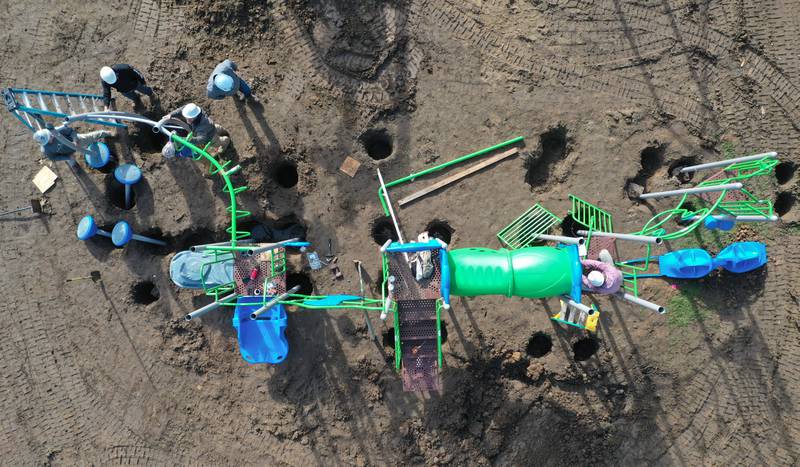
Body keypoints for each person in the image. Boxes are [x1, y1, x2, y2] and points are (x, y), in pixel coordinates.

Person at [157, 103, 229, 158]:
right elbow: (182, 109)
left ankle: (226, 140)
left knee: (217, 142)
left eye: (189, 119)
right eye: (186, 118)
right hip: (211, 125)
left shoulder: (201, 127)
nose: (187, 121)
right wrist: (171, 115)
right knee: (217, 128)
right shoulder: (193, 110)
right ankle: (223, 130)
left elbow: (202, 139)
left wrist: (188, 140)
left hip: (210, 136)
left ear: (195, 116)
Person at [33, 126, 112, 161]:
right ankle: (74, 165)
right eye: (49, 137)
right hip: (68, 153)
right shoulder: (46, 150)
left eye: (50, 134)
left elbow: (71, 131)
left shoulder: (57, 130)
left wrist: (75, 139)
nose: (52, 136)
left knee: (91, 137)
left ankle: (107, 133)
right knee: (71, 161)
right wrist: (67, 157)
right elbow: (53, 158)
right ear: (45, 143)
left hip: (76, 142)